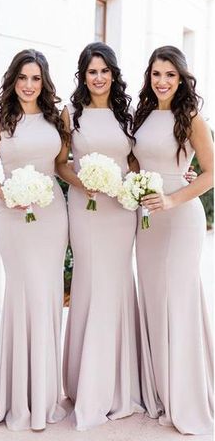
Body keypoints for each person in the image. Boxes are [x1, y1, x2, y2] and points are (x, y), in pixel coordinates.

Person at [56, 42, 145, 430]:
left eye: (105, 70)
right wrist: (84, 183)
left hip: (121, 210)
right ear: (83, 75)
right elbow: (60, 164)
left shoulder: (127, 114)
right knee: (92, 285)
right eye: (92, 71)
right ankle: (85, 384)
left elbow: (136, 160)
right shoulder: (69, 114)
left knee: (117, 285)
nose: (99, 77)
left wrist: (169, 177)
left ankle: (118, 386)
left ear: (113, 73)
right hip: (87, 208)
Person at [0, 49, 69, 430]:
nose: (29, 86)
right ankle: (17, 394)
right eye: (22, 78)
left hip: (52, 217)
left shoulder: (57, 117)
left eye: (35, 78)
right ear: (12, 79)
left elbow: (66, 166)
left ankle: (44, 394)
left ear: (44, 82)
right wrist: (11, 197)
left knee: (48, 296)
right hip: (13, 216)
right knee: (23, 294)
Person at [132, 45, 214, 435]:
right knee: (152, 300)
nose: (162, 81)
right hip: (147, 218)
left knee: (178, 301)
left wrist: (172, 196)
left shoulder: (191, 117)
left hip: (180, 217)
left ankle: (186, 395)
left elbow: (210, 173)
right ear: (149, 77)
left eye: (170, 75)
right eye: (156, 74)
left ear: (181, 79)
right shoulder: (143, 114)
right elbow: (136, 160)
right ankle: (160, 388)